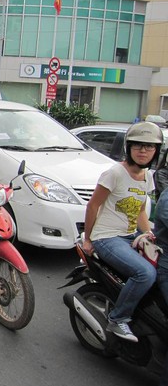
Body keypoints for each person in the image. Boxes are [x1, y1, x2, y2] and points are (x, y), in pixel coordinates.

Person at [83, 121, 161, 342]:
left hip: (130, 236)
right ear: (129, 148)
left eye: (149, 146)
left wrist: (148, 235)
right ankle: (118, 318)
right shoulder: (115, 173)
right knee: (145, 273)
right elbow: (93, 206)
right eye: (137, 145)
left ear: (156, 150)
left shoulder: (148, 176)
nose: (143, 150)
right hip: (107, 237)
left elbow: (139, 211)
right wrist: (88, 239)